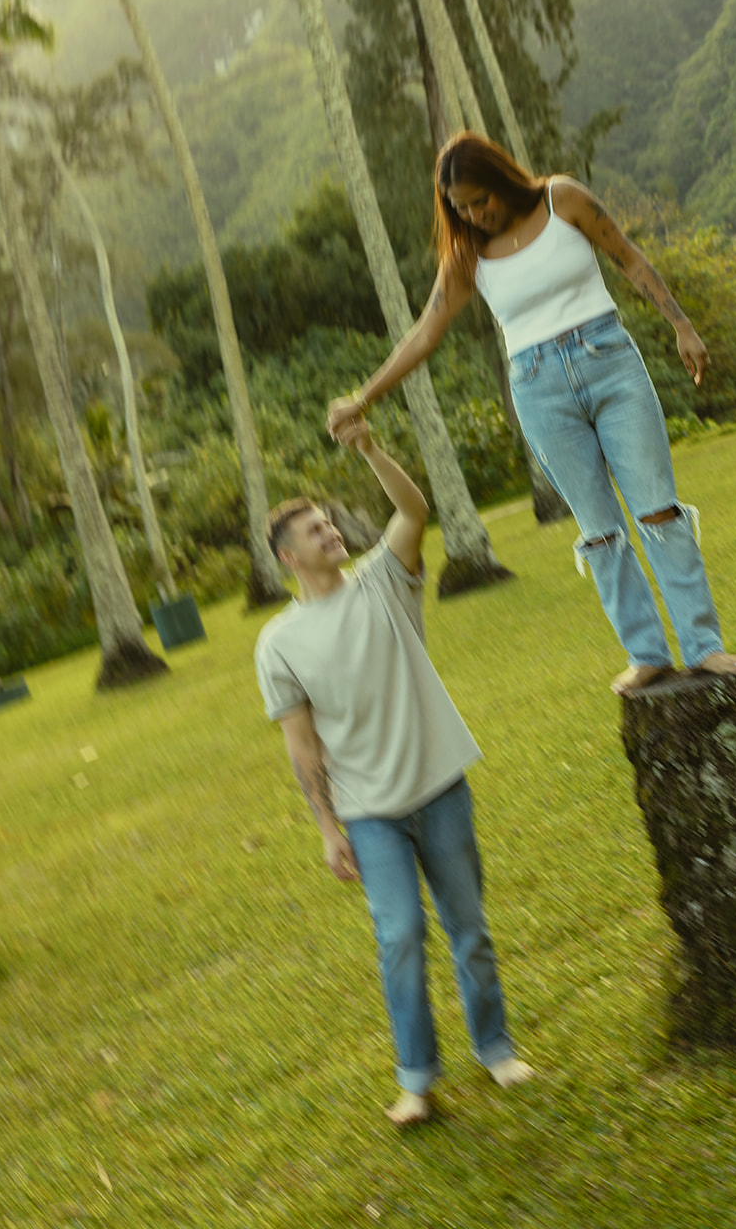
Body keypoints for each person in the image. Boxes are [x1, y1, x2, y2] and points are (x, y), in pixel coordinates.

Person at [326, 130, 736, 696]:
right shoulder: (466, 253)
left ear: (501, 179)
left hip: (612, 364)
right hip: (538, 388)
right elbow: (426, 333)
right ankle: (646, 652)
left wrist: (681, 324)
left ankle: (704, 647)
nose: (474, 214)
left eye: (481, 199)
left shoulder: (563, 199)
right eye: (461, 207)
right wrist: (365, 394)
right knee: (600, 531)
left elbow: (628, 256)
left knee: (657, 511)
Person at [254, 414, 532, 1128]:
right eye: (314, 531)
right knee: (400, 935)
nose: (331, 532)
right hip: (368, 812)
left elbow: (412, 511)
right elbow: (302, 746)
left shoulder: (384, 579)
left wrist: (370, 447)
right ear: (289, 557)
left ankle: (495, 1047)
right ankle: (416, 1079)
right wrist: (326, 827)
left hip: (438, 787)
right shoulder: (277, 643)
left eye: (329, 522)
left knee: (467, 927)